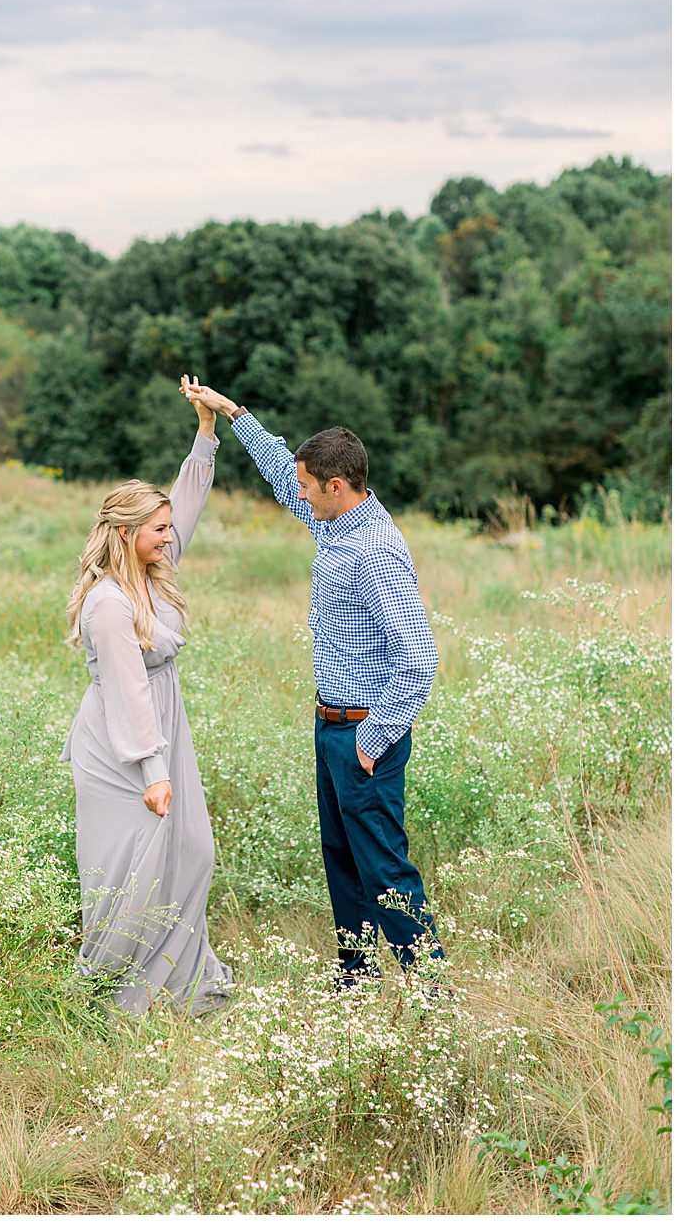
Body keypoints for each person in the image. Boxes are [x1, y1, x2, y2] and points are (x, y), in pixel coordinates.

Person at [179, 376, 443, 983]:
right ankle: (355, 981)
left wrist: (373, 741)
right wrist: (233, 413)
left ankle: (432, 996)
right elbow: (278, 470)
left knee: (384, 867)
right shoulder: (335, 522)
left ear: (336, 485)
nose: (296, 492)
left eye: (307, 485)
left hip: (364, 735)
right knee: (343, 861)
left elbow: (419, 657)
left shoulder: (372, 549)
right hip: (331, 725)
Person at [62, 383, 233, 1015]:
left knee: (192, 851)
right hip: (122, 748)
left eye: (167, 530)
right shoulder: (109, 602)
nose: (169, 536)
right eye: (156, 530)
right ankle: (109, 996)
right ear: (129, 533)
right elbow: (129, 693)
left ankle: (177, 981)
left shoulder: (155, 572)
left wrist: (205, 435)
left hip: (162, 730)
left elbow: (184, 506)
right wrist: (153, 774)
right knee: (131, 874)